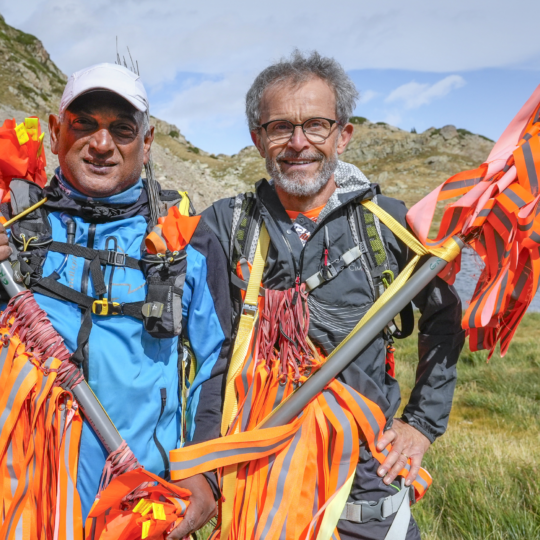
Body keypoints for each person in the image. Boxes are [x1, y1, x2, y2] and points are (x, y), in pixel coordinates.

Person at [0, 63, 227, 539]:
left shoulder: (184, 240)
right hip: (20, 503)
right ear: (56, 131)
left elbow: (214, 361)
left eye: (122, 130)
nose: (102, 144)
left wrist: (204, 470)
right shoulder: (9, 228)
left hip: (136, 505)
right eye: (84, 124)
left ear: (146, 144)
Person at [199, 50, 465, 539]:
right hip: (256, 479)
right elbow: (204, 350)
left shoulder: (386, 222)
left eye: (316, 125)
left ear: (343, 134)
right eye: (280, 127)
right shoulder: (223, 225)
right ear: (258, 139)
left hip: (367, 486)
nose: (299, 143)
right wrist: (203, 465)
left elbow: (444, 317)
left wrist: (422, 424)